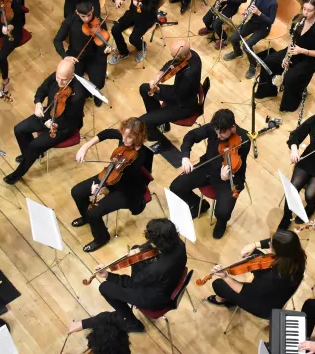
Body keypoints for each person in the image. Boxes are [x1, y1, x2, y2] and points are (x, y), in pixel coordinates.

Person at [66, 218, 187, 335]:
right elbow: (153, 245)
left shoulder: (154, 270)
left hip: (154, 299)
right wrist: (141, 249)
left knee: (105, 288)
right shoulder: (179, 244)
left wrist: (108, 275)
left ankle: (132, 323)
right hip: (169, 281)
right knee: (135, 249)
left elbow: (132, 282)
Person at [71, 117, 155, 251]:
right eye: (123, 135)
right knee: (77, 191)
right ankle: (87, 218)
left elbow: (127, 185)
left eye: (129, 137)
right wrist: (85, 147)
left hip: (128, 191)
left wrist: (104, 190)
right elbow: (106, 133)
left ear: (138, 137)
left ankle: (101, 238)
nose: (124, 139)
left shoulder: (140, 157)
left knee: (94, 212)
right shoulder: (125, 137)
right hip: (112, 175)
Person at [169, 109, 250, 239]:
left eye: (222, 133)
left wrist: (226, 175)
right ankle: (198, 204)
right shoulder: (215, 128)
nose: (218, 136)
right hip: (206, 167)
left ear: (232, 127)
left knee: (222, 212)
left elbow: (239, 165)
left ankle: (221, 223)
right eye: (216, 132)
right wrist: (185, 156)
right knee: (176, 187)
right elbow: (191, 136)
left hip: (229, 177)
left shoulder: (243, 141)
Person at [4, 57, 84, 183]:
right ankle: (30, 156)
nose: (60, 82)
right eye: (58, 77)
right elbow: (42, 90)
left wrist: (50, 122)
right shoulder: (57, 77)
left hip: (63, 126)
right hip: (48, 114)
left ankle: (17, 174)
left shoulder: (78, 95)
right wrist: (38, 103)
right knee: (19, 129)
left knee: (34, 146)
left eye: (64, 79)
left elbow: (68, 120)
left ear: (72, 76)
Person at [203, 230, 306, 317]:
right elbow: (273, 242)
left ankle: (222, 300)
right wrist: (254, 244)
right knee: (254, 255)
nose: (269, 244)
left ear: (280, 252)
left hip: (265, 307)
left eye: (271, 246)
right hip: (278, 291)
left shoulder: (272, 278)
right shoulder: (297, 256)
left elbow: (245, 291)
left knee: (218, 284)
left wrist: (225, 277)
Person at [254, 0, 315, 112]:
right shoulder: (298, 20)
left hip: (308, 59)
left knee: (290, 77)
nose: (305, 12)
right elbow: (292, 40)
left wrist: (301, 51)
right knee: (269, 61)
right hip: (293, 51)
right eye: (304, 9)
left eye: (309, 10)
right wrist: (286, 57)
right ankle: (267, 90)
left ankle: (290, 104)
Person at [137, 39, 203, 146]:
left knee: (143, 122)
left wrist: (158, 90)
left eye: (174, 56)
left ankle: (164, 143)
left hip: (183, 106)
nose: (173, 58)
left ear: (184, 56)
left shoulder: (189, 75)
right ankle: (162, 123)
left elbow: (177, 97)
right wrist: (158, 75)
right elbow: (171, 64)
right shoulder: (192, 54)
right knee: (144, 88)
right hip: (179, 93)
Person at [53, 1, 111, 107]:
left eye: (89, 15)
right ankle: (80, 96)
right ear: (77, 12)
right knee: (74, 81)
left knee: (98, 82)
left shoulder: (99, 22)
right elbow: (57, 40)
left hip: (94, 56)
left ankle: (96, 95)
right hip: (75, 56)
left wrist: (105, 51)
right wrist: (65, 57)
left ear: (92, 10)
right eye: (83, 16)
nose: (87, 19)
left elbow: (102, 43)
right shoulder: (70, 20)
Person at [224, 0, 279, 79]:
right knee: (234, 38)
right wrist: (247, 11)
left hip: (263, 28)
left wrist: (259, 13)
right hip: (253, 22)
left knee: (247, 46)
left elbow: (270, 21)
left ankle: (253, 65)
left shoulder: (273, 3)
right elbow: (250, 6)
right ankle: (237, 52)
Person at [109, 0, 162, 65]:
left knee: (133, 39)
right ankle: (123, 52)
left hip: (146, 17)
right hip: (133, 12)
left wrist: (140, 5)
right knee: (115, 29)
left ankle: (142, 46)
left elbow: (151, 9)